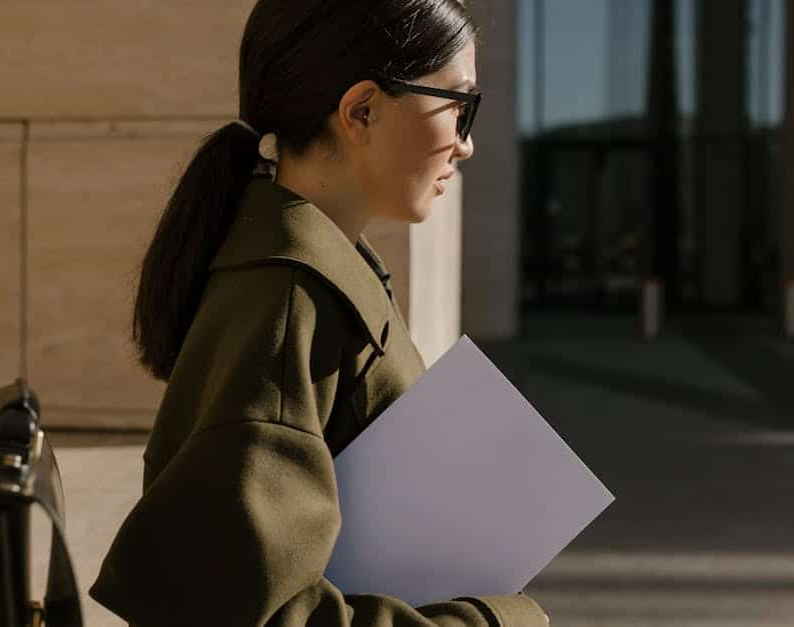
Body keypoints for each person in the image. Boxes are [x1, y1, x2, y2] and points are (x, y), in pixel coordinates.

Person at [89, 1, 551, 625]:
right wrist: (495, 620)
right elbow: (245, 611)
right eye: (458, 106)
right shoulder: (288, 303)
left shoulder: (315, 275)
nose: (466, 145)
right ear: (362, 110)